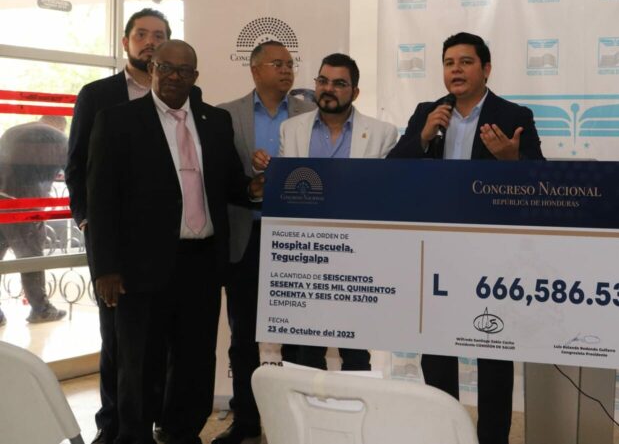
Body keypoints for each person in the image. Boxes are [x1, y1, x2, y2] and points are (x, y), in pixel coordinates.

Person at [86, 40, 261, 444]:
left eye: (183, 71)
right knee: (139, 363)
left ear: (194, 77)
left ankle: (182, 433)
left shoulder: (215, 121)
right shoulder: (117, 121)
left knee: (195, 359)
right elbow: (101, 199)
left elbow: (229, 184)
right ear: (151, 69)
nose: (173, 77)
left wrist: (253, 188)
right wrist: (105, 268)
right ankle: (134, 436)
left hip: (202, 263)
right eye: (165, 68)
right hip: (140, 267)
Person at [386, 32, 544, 444]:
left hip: (494, 253)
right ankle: (446, 434)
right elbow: (392, 170)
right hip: (438, 252)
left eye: (465, 62)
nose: (455, 69)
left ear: (486, 69)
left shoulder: (513, 115)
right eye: (449, 62)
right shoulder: (428, 113)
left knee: (494, 354)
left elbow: (541, 181)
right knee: (437, 353)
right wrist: (422, 137)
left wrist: (511, 160)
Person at [65, 7, 171, 444]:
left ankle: (153, 418)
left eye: (159, 36)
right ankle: (112, 426)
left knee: (159, 337)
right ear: (126, 42)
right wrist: (88, 221)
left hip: (164, 242)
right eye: (142, 34)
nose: (150, 42)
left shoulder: (180, 94)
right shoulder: (98, 95)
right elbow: (77, 165)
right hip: (112, 241)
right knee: (116, 341)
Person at [255, 52, 398, 370]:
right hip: (308, 257)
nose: (328, 89)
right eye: (322, 80)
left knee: (356, 353)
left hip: (357, 259)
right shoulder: (291, 130)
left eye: (339, 83)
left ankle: (355, 402)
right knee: (307, 351)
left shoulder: (382, 134)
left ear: (355, 92)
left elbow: (384, 197)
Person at [212, 41, 315, 444]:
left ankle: (294, 423)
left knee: (297, 337)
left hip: (296, 241)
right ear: (255, 70)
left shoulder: (309, 113)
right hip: (247, 236)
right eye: (277, 63)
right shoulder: (226, 115)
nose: (287, 69)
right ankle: (247, 421)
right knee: (244, 337)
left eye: (290, 63)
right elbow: (220, 176)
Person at [0, 120, 68, 324]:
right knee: (31, 256)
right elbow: (75, 174)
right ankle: (42, 309)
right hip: (22, 205)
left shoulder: (15, 132)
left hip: (2, 199)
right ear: (61, 125)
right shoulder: (59, 140)